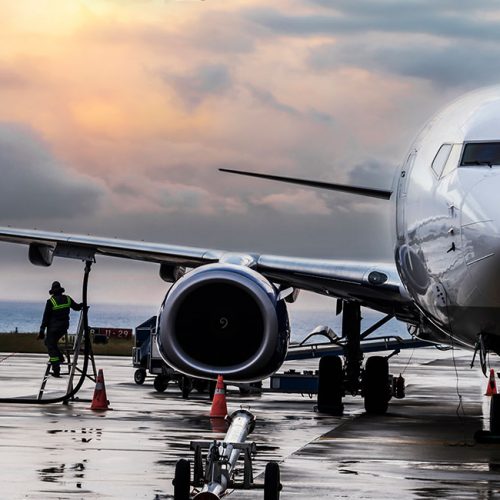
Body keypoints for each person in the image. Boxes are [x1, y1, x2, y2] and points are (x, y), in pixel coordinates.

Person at [38, 281, 83, 377]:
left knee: (50, 345)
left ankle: (56, 368)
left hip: (53, 329)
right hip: (64, 327)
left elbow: (45, 317)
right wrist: (83, 305)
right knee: (49, 342)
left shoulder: (51, 301)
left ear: (52, 291)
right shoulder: (67, 299)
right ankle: (60, 357)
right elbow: (77, 307)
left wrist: (42, 330)